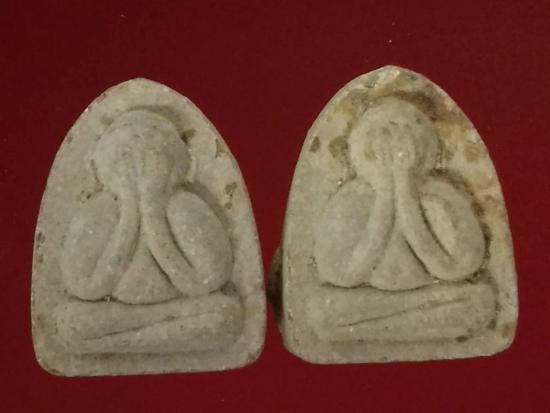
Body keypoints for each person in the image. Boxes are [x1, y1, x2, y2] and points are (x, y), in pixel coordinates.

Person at [309, 97, 495, 342]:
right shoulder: (352, 196)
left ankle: (367, 331)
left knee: (480, 302)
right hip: (371, 301)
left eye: (406, 141)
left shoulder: (440, 194)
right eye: (382, 141)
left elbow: (455, 269)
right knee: (321, 310)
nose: (394, 151)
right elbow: (342, 275)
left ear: (423, 148)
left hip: (431, 295)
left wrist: (406, 193)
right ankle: (389, 328)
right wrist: (386, 194)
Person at [56, 110, 242, 354]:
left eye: (153, 156)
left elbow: (205, 282)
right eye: (125, 156)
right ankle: (135, 341)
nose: (138, 166)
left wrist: (153, 214)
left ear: (179, 164)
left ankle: (112, 344)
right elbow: (86, 287)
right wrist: (130, 213)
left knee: (226, 314)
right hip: (116, 313)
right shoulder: (101, 209)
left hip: (179, 308)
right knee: (70, 322)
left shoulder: (183, 205)